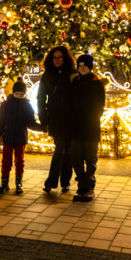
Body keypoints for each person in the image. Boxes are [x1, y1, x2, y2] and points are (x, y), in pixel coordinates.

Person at [38, 45, 77, 194]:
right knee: (61, 148)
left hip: (70, 118)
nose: (57, 60)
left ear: (65, 59)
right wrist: (43, 118)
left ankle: (65, 182)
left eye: (60, 57)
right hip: (55, 118)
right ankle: (52, 182)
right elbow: (41, 98)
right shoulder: (47, 76)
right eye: (54, 57)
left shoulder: (73, 74)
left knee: (68, 150)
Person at [68, 54, 106, 202]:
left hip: (90, 127)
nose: (82, 67)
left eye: (84, 65)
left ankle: (89, 187)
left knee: (90, 159)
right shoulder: (74, 82)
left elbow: (100, 105)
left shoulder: (97, 84)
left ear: (90, 67)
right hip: (75, 127)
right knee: (76, 159)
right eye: (79, 65)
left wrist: (93, 117)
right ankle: (81, 187)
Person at [0, 79, 39, 194]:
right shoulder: (6, 105)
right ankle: (4, 183)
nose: (19, 96)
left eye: (22, 94)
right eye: (17, 94)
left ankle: (19, 183)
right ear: (13, 93)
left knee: (20, 161)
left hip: (20, 137)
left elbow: (31, 122)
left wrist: (42, 127)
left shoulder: (27, 106)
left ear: (25, 94)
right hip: (8, 137)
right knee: (6, 161)